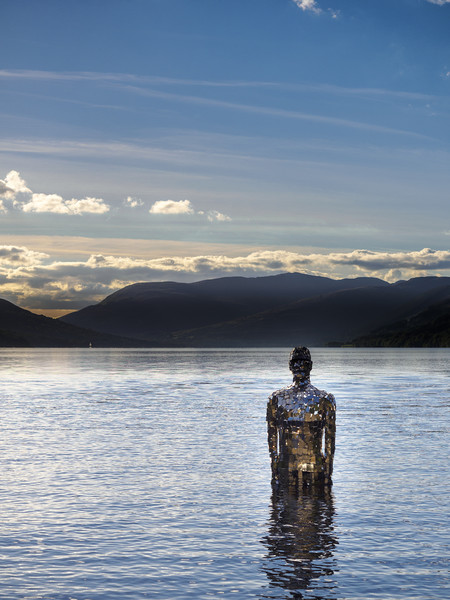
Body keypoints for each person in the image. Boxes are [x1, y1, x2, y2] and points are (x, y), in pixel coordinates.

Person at [267, 347, 335, 488]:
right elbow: (329, 443)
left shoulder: (277, 399)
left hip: (293, 469)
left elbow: (329, 443)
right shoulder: (324, 399)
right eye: (296, 362)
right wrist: (328, 475)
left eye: (301, 362)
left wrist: (274, 473)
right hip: (308, 469)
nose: (299, 366)